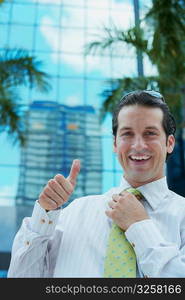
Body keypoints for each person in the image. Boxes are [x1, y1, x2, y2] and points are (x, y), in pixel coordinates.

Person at [7, 90, 185, 278]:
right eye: (127, 134)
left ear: (169, 143)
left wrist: (139, 226)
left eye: (150, 133)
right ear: (115, 144)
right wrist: (43, 215)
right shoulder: (74, 212)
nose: (138, 145)